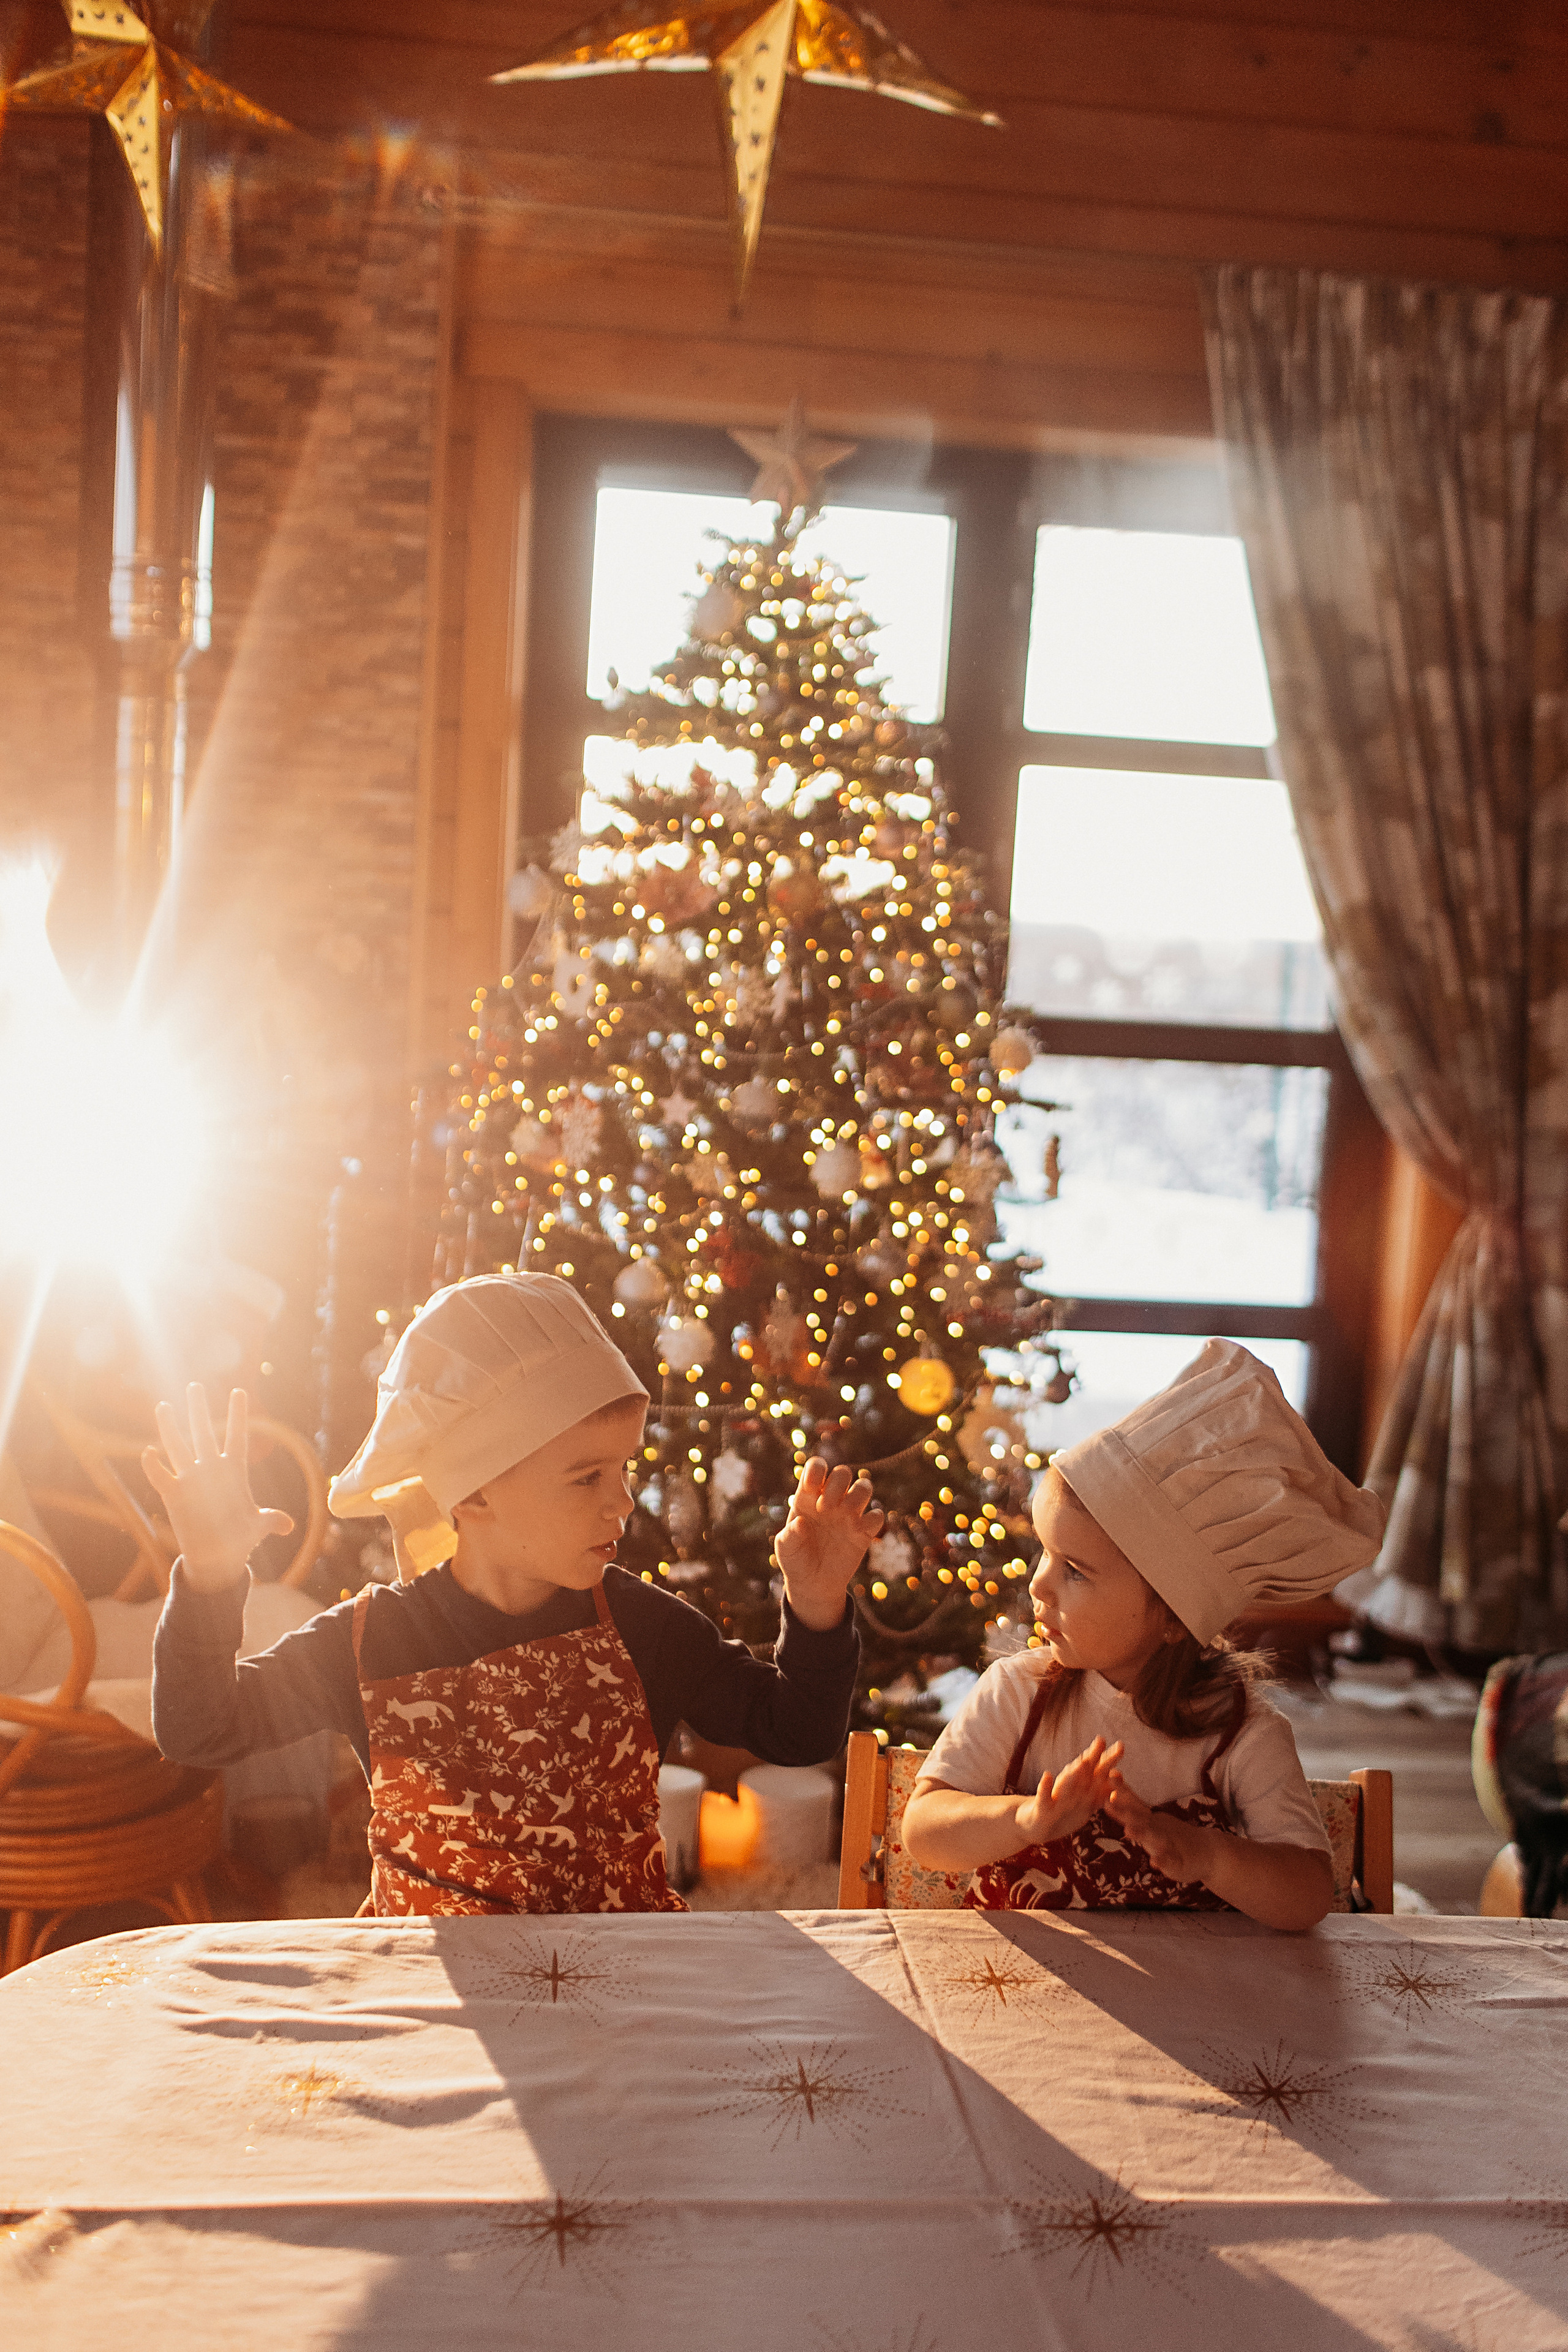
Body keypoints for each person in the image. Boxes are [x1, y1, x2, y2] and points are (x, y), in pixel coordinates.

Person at [148, 1272, 880, 1917]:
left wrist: (816, 1608)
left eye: (624, 1469)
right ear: (474, 1495)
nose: (622, 1503)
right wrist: (211, 1576)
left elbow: (795, 1733)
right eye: (586, 1476)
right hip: (439, 1996)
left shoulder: (641, 1625)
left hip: (621, 1972)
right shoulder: (370, 1639)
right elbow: (202, 1730)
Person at [901, 1341, 1385, 1929]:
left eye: (1075, 1570)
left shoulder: (1242, 1733)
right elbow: (924, 1830)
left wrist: (1210, 1855)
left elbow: (1309, 1896)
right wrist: (1026, 1820)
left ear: (1174, 1619)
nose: (1039, 1586)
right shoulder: (1018, 1693)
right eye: (1046, 1554)